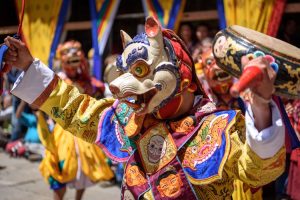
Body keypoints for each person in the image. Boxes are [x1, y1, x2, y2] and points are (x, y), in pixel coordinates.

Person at [3, 16, 286, 199]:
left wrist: (261, 107)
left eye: (140, 70)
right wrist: (29, 66)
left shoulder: (220, 127)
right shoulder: (128, 118)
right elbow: (77, 110)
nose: (120, 84)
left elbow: (259, 172)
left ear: (182, 73)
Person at [37, 40, 114, 200]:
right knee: (60, 172)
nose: (73, 64)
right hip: (62, 131)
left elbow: (100, 90)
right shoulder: (57, 80)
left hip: (83, 130)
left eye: (76, 59)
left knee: (85, 173)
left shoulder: (87, 80)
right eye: (69, 59)